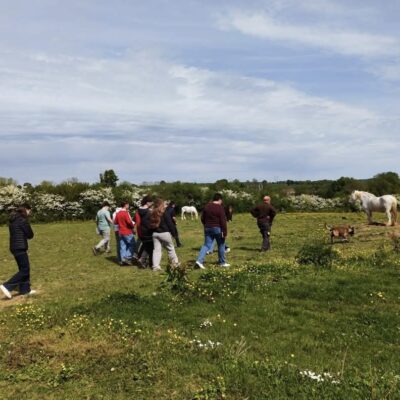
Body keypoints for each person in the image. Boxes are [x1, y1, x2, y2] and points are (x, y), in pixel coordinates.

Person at [1, 204, 36, 299]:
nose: (30, 213)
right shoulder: (22, 220)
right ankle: (7, 286)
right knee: (25, 270)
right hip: (20, 247)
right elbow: (30, 235)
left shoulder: (13, 220)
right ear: (26, 209)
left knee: (23, 268)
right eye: (29, 211)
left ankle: (25, 290)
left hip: (14, 247)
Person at [196, 193, 230, 269]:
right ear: (220, 199)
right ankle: (222, 262)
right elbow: (223, 221)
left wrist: (206, 225)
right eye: (221, 200)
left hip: (207, 228)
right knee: (221, 244)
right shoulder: (220, 208)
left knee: (206, 245)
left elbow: (202, 218)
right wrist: (225, 232)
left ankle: (199, 261)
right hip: (217, 229)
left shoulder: (207, 207)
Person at [149, 198, 180, 272]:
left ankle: (155, 266)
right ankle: (175, 264)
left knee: (156, 250)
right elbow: (170, 223)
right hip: (164, 233)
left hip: (155, 234)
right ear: (161, 205)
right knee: (170, 248)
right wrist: (174, 234)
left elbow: (150, 224)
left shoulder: (152, 212)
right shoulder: (164, 213)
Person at [114, 201, 136, 265]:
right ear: (125, 205)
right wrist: (133, 226)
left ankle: (122, 259)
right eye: (128, 205)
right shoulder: (125, 213)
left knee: (122, 246)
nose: (128, 206)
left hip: (120, 232)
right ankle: (127, 257)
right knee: (132, 244)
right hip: (127, 231)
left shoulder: (118, 213)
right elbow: (129, 222)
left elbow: (115, 222)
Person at [134, 195, 153, 267]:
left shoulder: (138, 210)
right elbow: (149, 222)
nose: (151, 204)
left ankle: (138, 257)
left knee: (144, 245)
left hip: (140, 230)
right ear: (147, 202)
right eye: (151, 202)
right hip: (148, 231)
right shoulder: (148, 211)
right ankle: (143, 260)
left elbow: (135, 220)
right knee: (150, 246)